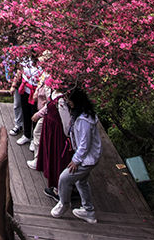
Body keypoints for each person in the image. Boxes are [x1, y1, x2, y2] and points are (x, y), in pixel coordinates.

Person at [50, 85, 101, 224]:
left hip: (86, 159)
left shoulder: (84, 120)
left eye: (69, 100)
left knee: (64, 178)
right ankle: (88, 211)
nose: (68, 102)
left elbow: (85, 144)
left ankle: (63, 204)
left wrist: (76, 160)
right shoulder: (82, 115)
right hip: (90, 157)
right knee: (81, 181)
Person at [7, 55, 40, 145]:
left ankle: (34, 138)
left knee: (34, 114)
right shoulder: (25, 60)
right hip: (25, 89)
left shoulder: (41, 64)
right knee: (25, 112)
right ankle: (27, 135)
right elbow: (19, 72)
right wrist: (14, 85)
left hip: (35, 92)